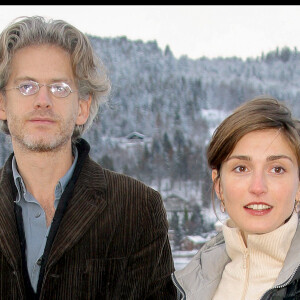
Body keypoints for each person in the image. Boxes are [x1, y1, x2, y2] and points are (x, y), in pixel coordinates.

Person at [0, 16, 176, 299]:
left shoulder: (137, 207)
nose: (42, 100)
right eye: (26, 86)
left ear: (82, 107)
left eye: (59, 88)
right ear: (2, 104)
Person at [172, 96, 300, 300]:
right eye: (241, 168)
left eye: (277, 169)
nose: (258, 187)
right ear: (219, 186)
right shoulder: (187, 284)